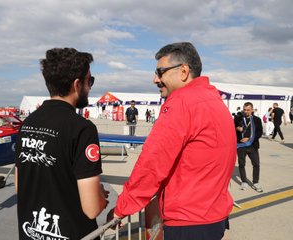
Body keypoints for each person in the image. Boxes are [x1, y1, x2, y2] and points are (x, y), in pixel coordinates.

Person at [110, 42, 236, 240]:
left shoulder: (181, 103)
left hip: (188, 222)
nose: (155, 79)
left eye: (160, 72)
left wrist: (121, 209)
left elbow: (152, 164)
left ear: (184, 71)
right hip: (214, 216)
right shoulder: (213, 99)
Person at [15, 48, 109, 240]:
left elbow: (20, 185)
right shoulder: (82, 129)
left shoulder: (28, 123)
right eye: (89, 81)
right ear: (77, 84)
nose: (90, 87)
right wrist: (100, 196)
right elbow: (92, 209)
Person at [235, 102, 263, 192]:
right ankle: (244, 181)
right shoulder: (238, 119)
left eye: (248, 110)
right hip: (240, 146)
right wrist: (237, 128)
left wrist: (249, 138)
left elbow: (259, 132)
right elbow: (232, 127)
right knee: (242, 164)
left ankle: (255, 182)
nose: (246, 112)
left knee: (256, 164)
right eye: (245, 110)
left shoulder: (257, 120)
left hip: (252, 145)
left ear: (252, 110)